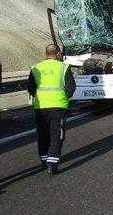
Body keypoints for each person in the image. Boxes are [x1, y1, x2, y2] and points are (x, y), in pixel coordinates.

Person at [27, 44, 76, 175]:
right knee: (56, 135)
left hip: (40, 107)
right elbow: (71, 88)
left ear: (46, 53)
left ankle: (44, 159)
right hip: (58, 106)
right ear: (59, 54)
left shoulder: (36, 67)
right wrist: (65, 97)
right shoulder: (64, 67)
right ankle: (52, 163)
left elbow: (30, 88)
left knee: (43, 134)